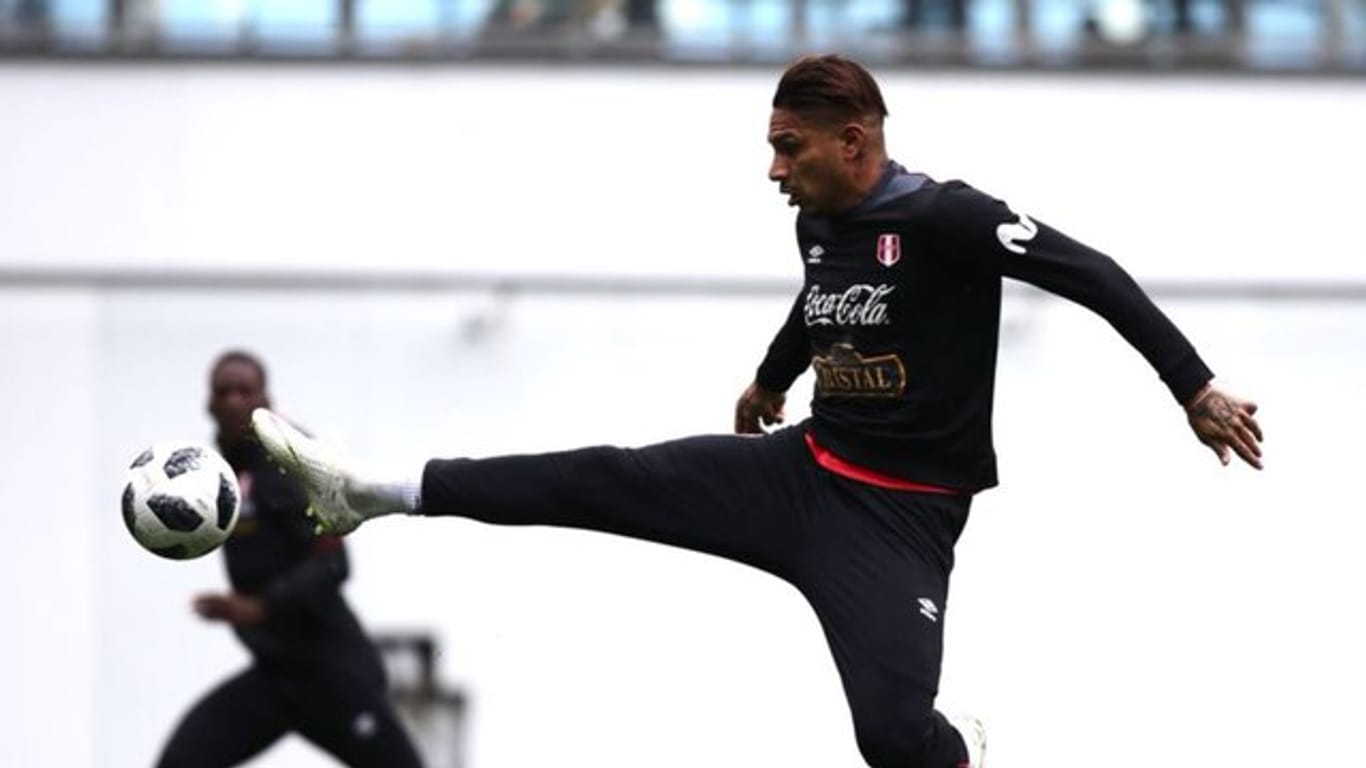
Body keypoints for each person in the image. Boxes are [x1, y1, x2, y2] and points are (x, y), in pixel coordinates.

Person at [249, 54, 1263, 768]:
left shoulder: (947, 216)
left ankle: (956, 756)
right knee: (604, 478)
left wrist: (1194, 386)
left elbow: (1087, 272)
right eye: (772, 147)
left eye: (790, 147)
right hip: (801, 472)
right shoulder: (822, 219)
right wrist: (772, 377)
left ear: (854, 140)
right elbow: (819, 298)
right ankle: (371, 490)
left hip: (900, 520)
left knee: (890, 739)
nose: (773, 168)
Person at [155, 350, 424, 768]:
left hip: (332, 672)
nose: (232, 401)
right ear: (208, 402)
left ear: (266, 399)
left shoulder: (289, 462)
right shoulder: (219, 468)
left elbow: (335, 563)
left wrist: (261, 606)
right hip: (277, 672)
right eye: (223, 392)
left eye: (245, 391)